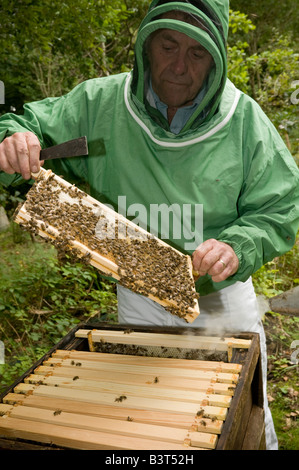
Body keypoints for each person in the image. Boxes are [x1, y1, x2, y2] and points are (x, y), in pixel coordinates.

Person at [0, 0, 298, 449]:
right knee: (141, 417)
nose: (179, 66)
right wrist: (14, 137)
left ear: (216, 61)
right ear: (146, 47)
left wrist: (239, 245)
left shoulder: (245, 120)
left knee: (242, 417)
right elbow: (25, 122)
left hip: (220, 299)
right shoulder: (98, 102)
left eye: (197, 53)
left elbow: (280, 206)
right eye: (168, 46)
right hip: (137, 293)